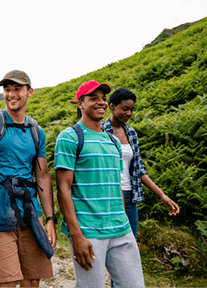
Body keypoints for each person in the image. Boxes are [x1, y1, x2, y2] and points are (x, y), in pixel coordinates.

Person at [0, 70, 56, 288]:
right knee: (5, 281)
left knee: (31, 279)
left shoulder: (36, 131)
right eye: (7, 89)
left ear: (29, 92)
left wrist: (51, 219)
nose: (11, 94)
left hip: (29, 210)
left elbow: (42, 176)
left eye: (17, 89)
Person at [54, 80, 145, 287]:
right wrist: (76, 235)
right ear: (80, 104)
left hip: (120, 229)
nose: (101, 102)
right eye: (93, 98)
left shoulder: (113, 141)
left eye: (103, 98)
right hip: (89, 231)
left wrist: (123, 220)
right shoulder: (69, 137)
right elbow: (63, 188)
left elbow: (116, 185)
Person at [102, 88, 180, 239]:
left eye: (132, 110)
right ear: (112, 106)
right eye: (125, 109)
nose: (129, 113)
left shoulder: (131, 133)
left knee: (130, 243)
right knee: (112, 243)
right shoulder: (101, 131)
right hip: (109, 197)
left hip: (130, 196)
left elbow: (139, 170)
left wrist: (162, 195)